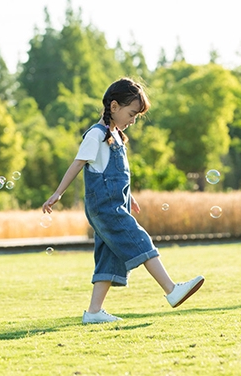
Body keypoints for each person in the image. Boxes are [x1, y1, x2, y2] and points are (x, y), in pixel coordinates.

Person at [42, 78, 204, 324]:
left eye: (137, 116)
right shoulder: (96, 135)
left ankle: (94, 312)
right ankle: (171, 290)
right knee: (140, 239)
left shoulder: (115, 136)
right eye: (131, 113)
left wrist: (130, 197)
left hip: (115, 204)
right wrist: (58, 193)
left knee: (108, 255)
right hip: (105, 207)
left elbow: (113, 174)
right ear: (114, 106)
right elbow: (78, 164)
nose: (133, 120)